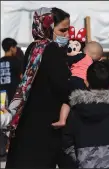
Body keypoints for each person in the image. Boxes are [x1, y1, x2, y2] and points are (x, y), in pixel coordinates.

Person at [2, 7, 76, 168]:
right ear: (48, 27)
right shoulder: (51, 49)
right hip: (45, 124)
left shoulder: (33, 47)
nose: (67, 35)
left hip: (27, 120)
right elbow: (62, 85)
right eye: (62, 30)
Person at [52, 41, 103, 128]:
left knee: (67, 102)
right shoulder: (93, 64)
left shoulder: (81, 56)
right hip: (84, 83)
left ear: (85, 51)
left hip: (74, 80)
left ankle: (62, 120)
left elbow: (68, 61)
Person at [0, 38, 22, 105]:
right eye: (15, 47)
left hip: (2, 95)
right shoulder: (16, 61)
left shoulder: (0, 61)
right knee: (13, 114)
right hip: (14, 95)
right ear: (11, 48)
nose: (16, 50)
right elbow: (22, 77)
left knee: (3, 113)